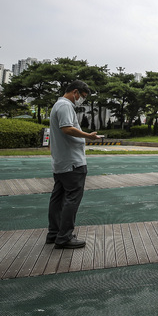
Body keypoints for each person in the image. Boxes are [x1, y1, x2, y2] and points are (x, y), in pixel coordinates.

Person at [47, 81, 101, 249]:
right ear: (75, 92)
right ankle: (64, 237)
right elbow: (67, 128)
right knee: (72, 199)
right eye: (82, 97)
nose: (81, 101)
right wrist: (88, 136)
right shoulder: (65, 106)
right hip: (72, 162)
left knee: (58, 198)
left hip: (61, 162)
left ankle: (54, 233)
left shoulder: (58, 105)